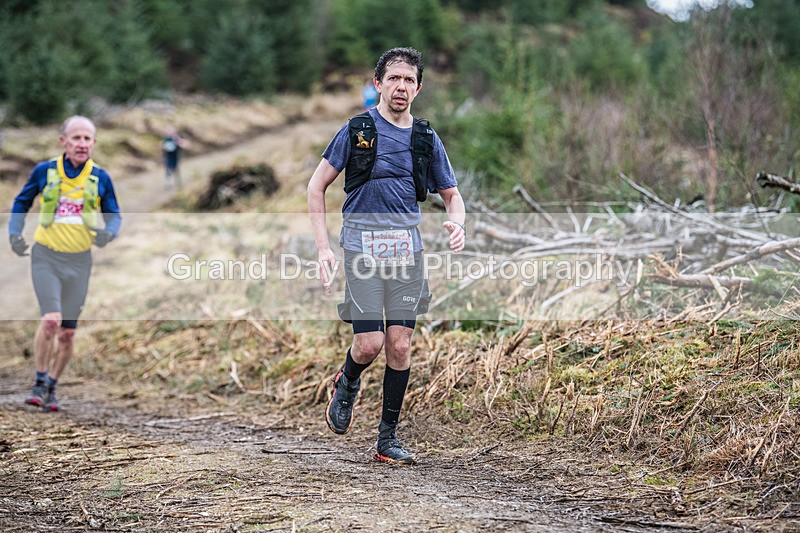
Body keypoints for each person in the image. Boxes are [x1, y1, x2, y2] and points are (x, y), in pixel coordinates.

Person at [308, 47, 466, 465]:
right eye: (393, 78)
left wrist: (458, 222)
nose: (401, 86)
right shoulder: (357, 129)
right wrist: (324, 248)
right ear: (378, 83)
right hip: (361, 248)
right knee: (370, 343)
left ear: (418, 87)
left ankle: (387, 440)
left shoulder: (426, 138)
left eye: (409, 80)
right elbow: (315, 186)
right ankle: (348, 379)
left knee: (399, 345)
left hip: (407, 251)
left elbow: (452, 195)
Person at [8, 115, 122, 412]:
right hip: (46, 255)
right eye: (76, 138)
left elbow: (115, 215)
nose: (82, 144)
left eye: (87, 139)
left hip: (80, 261)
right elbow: (22, 201)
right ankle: (38, 381)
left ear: (94, 143)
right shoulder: (44, 171)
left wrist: (108, 234)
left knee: (68, 333)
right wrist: (13, 233)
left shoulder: (101, 178)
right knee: (50, 320)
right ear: (64, 142)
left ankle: (52, 387)